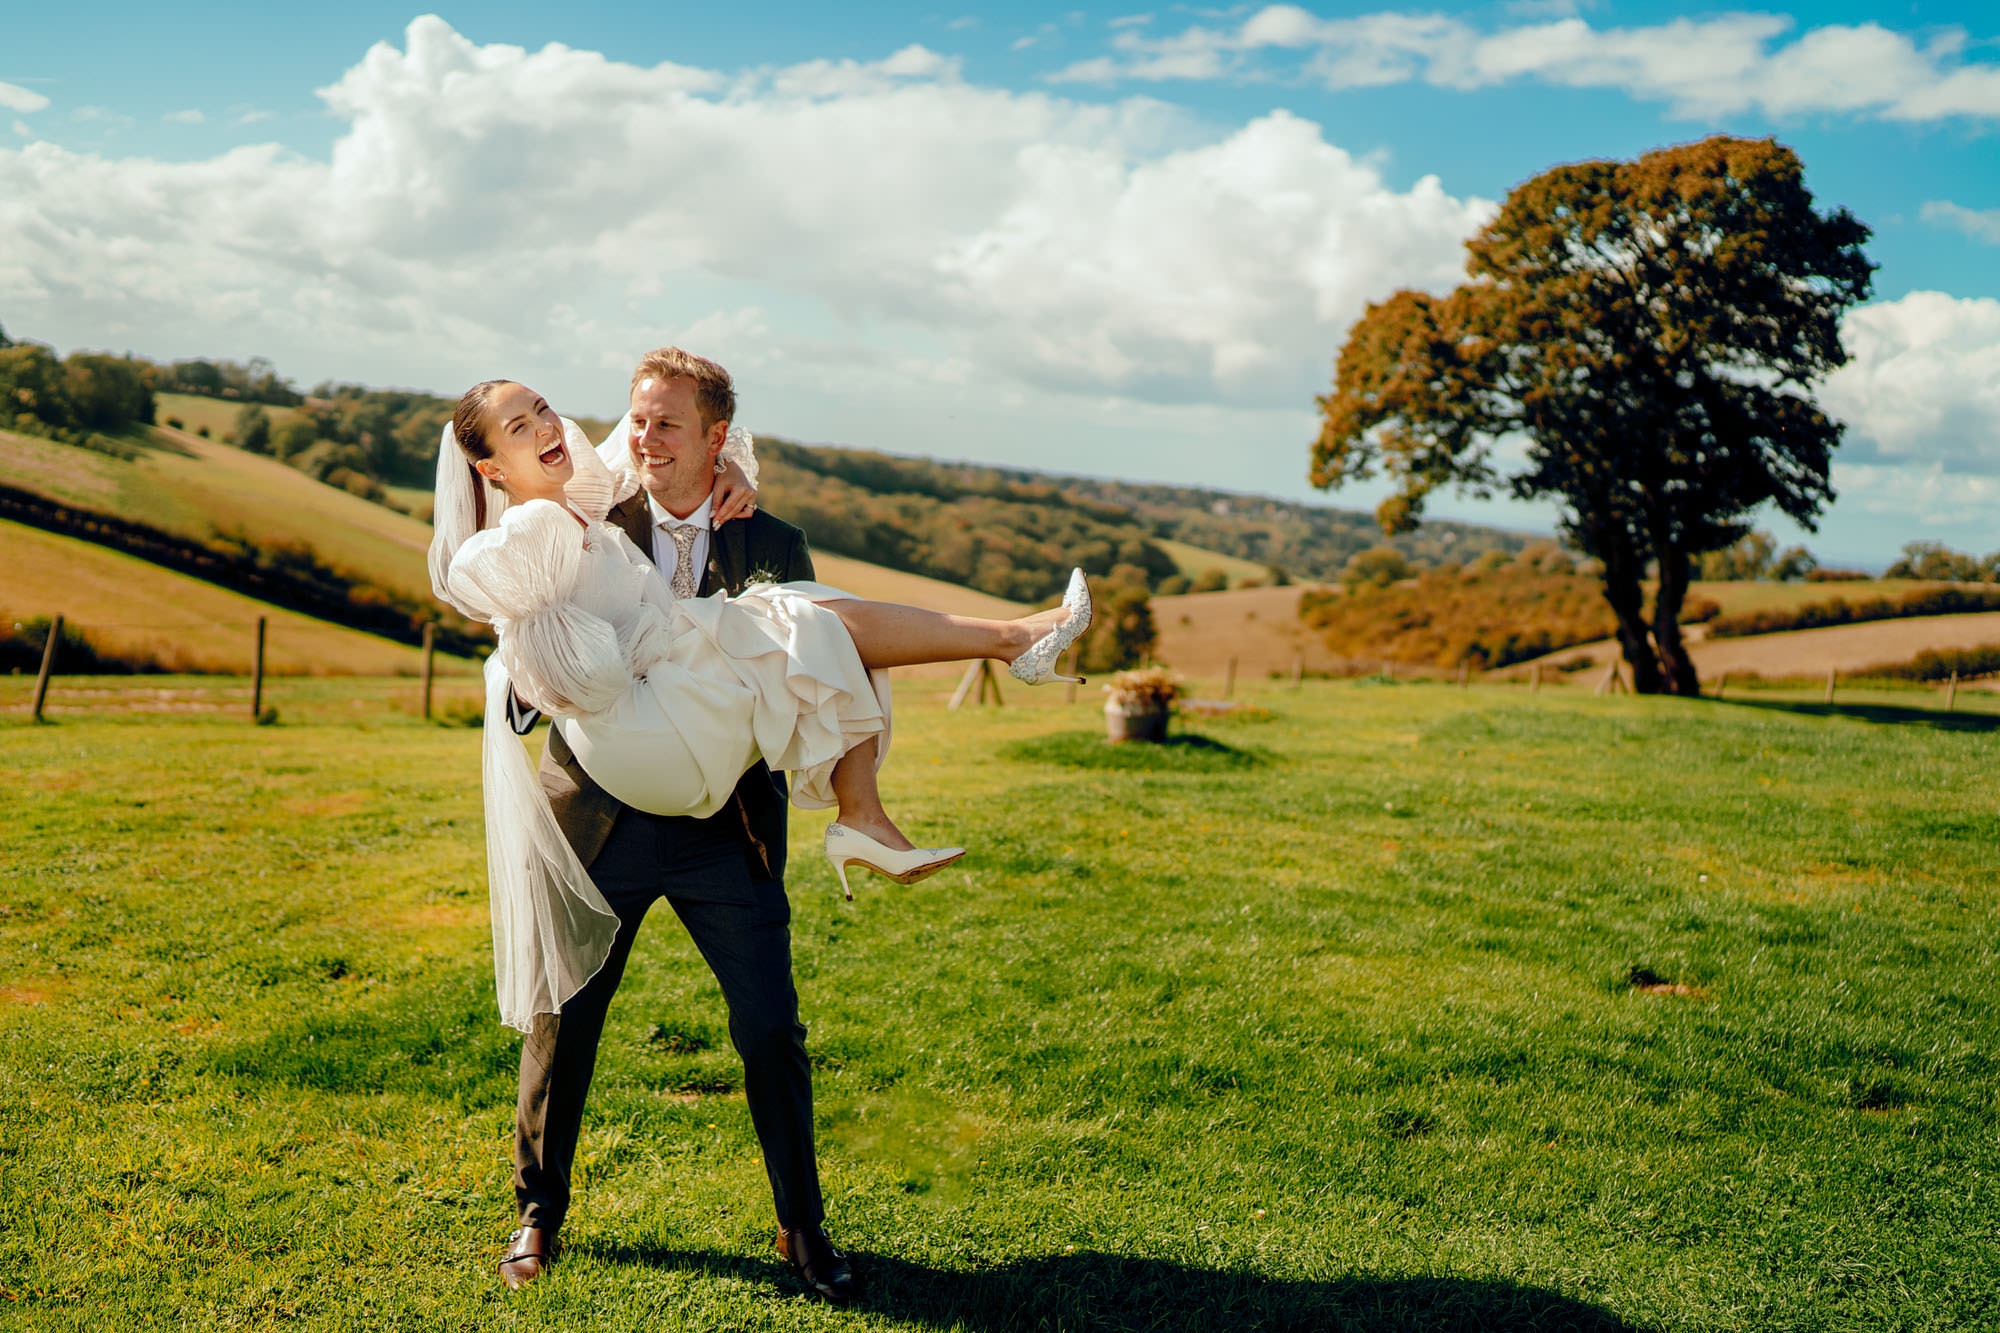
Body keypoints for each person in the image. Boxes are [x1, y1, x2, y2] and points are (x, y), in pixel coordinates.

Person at [426, 350, 1091, 1300]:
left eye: (668, 427)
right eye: (635, 422)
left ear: (717, 443)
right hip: (599, 816)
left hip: (724, 822)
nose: (640, 440)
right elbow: (519, 590)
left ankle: (802, 1228)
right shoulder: (589, 504)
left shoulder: (770, 533)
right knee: (562, 1021)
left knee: (771, 1028)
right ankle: (538, 1212)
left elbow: (829, 666)